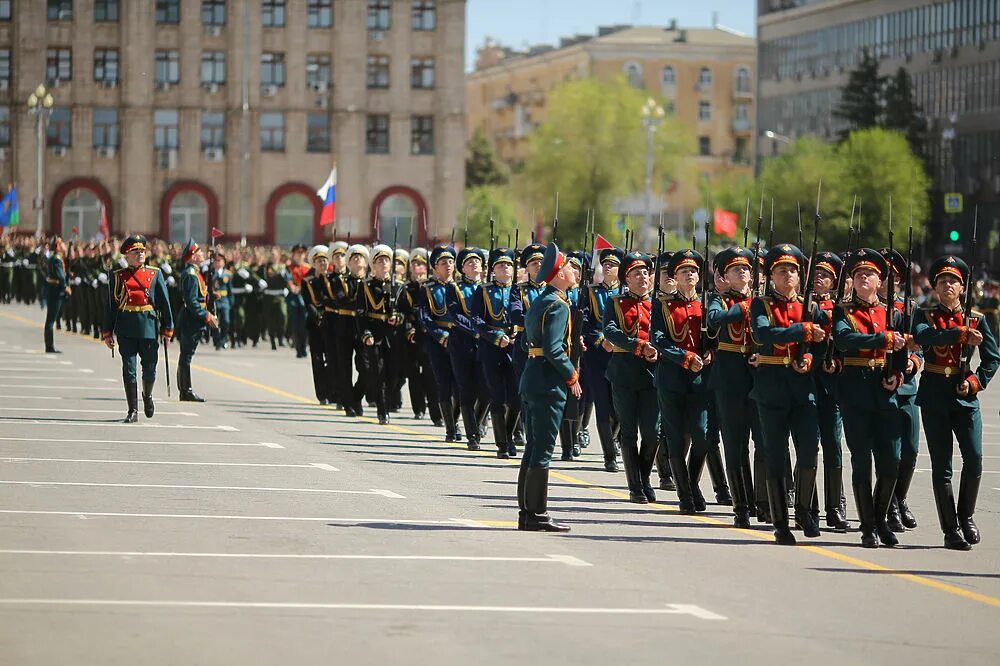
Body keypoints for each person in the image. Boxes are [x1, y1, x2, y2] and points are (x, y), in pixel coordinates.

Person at [911, 255, 999, 550]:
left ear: (963, 287)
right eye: (942, 281)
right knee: (942, 466)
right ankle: (950, 529)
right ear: (935, 287)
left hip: (965, 397)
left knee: (974, 458)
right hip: (935, 394)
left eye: (953, 281)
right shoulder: (925, 315)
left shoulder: (977, 319)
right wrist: (959, 333)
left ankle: (966, 515)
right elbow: (923, 338)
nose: (948, 285)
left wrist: (976, 382)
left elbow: (992, 357)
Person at [750, 244, 829, 545]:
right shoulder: (762, 305)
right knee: (775, 455)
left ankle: (805, 510)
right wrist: (802, 331)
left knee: (809, 451)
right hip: (771, 386)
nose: (788, 275)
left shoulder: (811, 308)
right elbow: (763, 334)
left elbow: (824, 345)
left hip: (802, 387)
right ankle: (780, 520)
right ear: (771, 276)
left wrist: (810, 358)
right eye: (781, 270)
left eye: (793, 270)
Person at [833, 248, 909, 548]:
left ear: (881, 281)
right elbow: (843, 339)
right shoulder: (843, 311)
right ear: (851, 281)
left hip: (884, 391)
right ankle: (867, 526)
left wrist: (900, 375)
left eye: (870, 274)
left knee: (891, 461)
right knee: (862, 461)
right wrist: (881, 340)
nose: (864, 277)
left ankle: (880, 518)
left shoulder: (893, 313)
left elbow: (903, 353)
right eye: (858, 274)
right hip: (855, 391)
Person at [517, 242, 580, 532]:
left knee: (533, 447)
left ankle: (527, 512)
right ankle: (537, 514)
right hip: (547, 382)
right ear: (558, 274)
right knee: (542, 448)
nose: (573, 271)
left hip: (533, 377)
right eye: (568, 267)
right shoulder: (558, 305)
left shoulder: (541, 300)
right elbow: (554, 349)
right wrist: (571, 376)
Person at [651, 249, 714, 514]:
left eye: (694, 271)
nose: (690, 274)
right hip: (672, 378)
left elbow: (714, 338)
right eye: (683, 271)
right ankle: (685, 494)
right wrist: (685, 357)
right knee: (676, 438)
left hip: (700, 381)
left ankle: (691, 483)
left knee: (701, 436)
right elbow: (659, 339)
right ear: (674, 277)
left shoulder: (708, 304)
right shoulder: (663, 305)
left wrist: (711, 352)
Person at [707, 246, 763, 527]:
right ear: (725, 277)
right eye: (734, 270)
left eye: (745, 269)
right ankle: (741, 504)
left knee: (763, 442)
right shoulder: (721, 301)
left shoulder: (762, 301)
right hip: (729, 377)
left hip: (759, 375)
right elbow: (713, 321)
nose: (741, 272)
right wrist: (742, 307)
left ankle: (762, 502)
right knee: (735, 444)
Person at [602, 251, 659, 504]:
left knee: (652, 433)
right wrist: (638, 345)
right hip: (624, 373)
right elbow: (611, 331)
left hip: (652, 374)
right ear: (626, 278)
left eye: (646, 273)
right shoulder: (615, 302)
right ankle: (635, 485)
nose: (642, 277)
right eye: (636, 273)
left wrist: (657, 350)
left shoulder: (658, 305)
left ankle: (644, 477)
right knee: (628, 432)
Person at [100, 235, 174, 422]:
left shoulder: (155, 273)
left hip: (148, 326)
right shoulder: (118, 276)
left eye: (142, 251)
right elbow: (111, 307)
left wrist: (167, 329)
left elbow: (165, 304)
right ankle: (132, 410)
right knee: (129, 369)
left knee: (149, 368)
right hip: (126, 327)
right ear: (127, 255)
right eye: (136, 252)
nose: (140, 254)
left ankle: (147, 396)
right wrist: (107, 332)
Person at [810, 251, 849, 532]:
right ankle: (808, 505)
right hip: (806, 382)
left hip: (833, 384)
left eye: (825, 275)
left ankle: (835, 506)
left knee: (833, 446)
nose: (819, 278)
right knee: (808, 446)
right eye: (816, 274)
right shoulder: (803, 305)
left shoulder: (842, 309)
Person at [472, 247, 520, 458]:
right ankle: (502, 444)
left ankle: (509, 436)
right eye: (501, 265)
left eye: (509, 264)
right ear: (493, 269)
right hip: (491, 348)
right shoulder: (483, 290)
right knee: (497, 397)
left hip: (515, 347)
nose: (505, 268)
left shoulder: (519, 290)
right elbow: (477, 320)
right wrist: (494, 337)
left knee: (517, 398)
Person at [580, 247, 624, 472]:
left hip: (621, 357)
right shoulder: (590, 292)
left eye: (613, 264)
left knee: (619, 407)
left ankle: (615, 439)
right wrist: (600, 341)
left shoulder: (625, 294)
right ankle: (609, 456)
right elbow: (584, 322)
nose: (608, 267)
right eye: (605, 264)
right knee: (603, 405)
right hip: (597, 356)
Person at [358, 244, 408, 424]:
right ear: (373, 265)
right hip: (375, 334)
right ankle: (382, 410)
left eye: (387, 260)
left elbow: (406, 312)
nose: (384, 263)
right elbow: (361, 314)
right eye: (380, 261)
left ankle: (388, 400)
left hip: (393, 336)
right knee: (377, 373)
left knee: (394, 374)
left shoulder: (399, 286)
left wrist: (399, 318)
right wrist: (365, 333)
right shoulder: (366, 286)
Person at [419, 244, 463, 442]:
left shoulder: (461, 288)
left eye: (451, 262)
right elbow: (425, 318)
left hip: (460, 340)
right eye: (443, 262)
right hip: (438, 343)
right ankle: (450, 428)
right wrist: (440, 335)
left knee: (461, 386)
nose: (448, 265)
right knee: (444, 385)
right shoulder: (428, 289)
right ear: (435, 267)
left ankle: (455, 420)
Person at [447, 247, 489, 451]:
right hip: (462, 342)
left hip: (484, 343)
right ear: (462, 268)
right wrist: (477, 328)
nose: (474, 265)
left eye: (477, 262)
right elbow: (455, 314)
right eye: (469, 262)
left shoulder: (488, 288)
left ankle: (478, 422)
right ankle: (472, 434)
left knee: (487, 389)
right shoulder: (454, 287)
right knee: (466, 388)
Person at [176, 239, 219, 402]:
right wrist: (207, 316)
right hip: (191, 319)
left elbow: (198, 295)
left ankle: (184, 390)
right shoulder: (191, 275)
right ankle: (186, 390)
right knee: (186, 356)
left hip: (193, 318)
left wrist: (209, 296)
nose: (202, 254)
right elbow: (192, 302)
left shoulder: (195, 273)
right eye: (198, 252)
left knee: (186, 355)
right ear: (192, 257)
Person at [302, 245, 333, 404]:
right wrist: (318, 317)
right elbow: (309, 303)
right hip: (315, 324)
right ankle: (322, 394)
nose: (323, 264)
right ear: (314, 263)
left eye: (325, 261)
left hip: (331, 323)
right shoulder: (308, 281)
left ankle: (332, 390)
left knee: (332, 358)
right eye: (319, 261)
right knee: (317, 359)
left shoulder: (333, 279)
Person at [43, 237, 70, 353]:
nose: (64, 245)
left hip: (52, 289)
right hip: (56, 290)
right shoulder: (57, 259)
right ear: (58, 246)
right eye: (62, 243)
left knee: (50, 319)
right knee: (51, 320)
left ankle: (49, 345)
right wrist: (65, 287)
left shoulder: (53, 258)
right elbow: (60, 276)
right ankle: (49, 346)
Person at [209, 250, 233, 350]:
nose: (217, 263)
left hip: (224, 300)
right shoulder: (210, 273)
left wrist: (231, 302)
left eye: (220, 261)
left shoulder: (228, 274)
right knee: (214, 322)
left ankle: (223, 339)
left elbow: (230, 289)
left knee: (226, 321)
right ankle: (216, 340)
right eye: (216, 261)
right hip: (214, 301)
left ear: (224, 262)